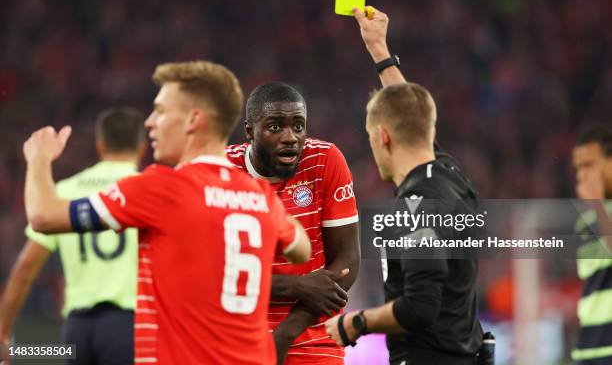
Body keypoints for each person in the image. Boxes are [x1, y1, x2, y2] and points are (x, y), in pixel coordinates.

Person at [21, 60, 311, 364]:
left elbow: (43, 216)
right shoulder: (262, 198)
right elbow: (301, 250)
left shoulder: (161, 188)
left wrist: (39, 160)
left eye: (159, 110)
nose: (149, 122)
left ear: (192, 120)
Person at [325, 7, 483, 364]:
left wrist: (355, 323)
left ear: (383, 137)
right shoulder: (450, 174)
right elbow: (409, 111)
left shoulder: (418, 203)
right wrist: (379, 51)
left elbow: (419, 307)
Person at [226, 82, 360, 364]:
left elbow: (347, 260)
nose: (290, 137)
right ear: (250, 131)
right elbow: (211, 274)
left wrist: (285, 333)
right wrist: (296, 286)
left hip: (312, 338)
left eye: (298, 126)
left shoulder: (325, 160)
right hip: (236, 337)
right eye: (275, 127)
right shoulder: (221, 172)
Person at [0, 106, 146, 365]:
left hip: (78, 329)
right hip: (130, 325)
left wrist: (2, 334)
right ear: (142, 147)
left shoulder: (64, 191)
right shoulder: (149, 190)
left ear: (100, 146)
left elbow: (25, 267)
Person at [571, 125, 612, 365]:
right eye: (578, 168)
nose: (581, 175)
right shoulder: (585, 222)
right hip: (588, 347)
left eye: (588, 165)